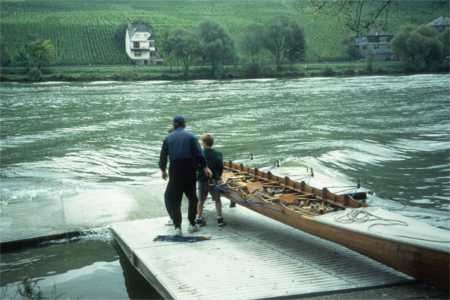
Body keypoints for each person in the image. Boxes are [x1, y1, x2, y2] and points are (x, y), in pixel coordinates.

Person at [159, 116, 212, 236]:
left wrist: (163, 170)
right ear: (184, 125)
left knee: (175, 199)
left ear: (174, 125)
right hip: (189, 170)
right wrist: (205, 167)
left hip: (175, 170)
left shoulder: (168, 138)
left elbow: (163, 156)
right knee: (193, 198)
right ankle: (192, 225)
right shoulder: (192, 137)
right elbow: (199, 155)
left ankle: (178, 228)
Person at [196, 134, 226, 227]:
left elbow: (196, 167)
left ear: (204, 143)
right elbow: (221, 168)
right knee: (217, 200)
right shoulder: (218, 154)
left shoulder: (199, 155)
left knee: (201, 200)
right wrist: (218, 177)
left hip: (202, 180)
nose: (201, 143)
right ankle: (219, 219)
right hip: (214, 181)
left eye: (201, 142)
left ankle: (199, 219)